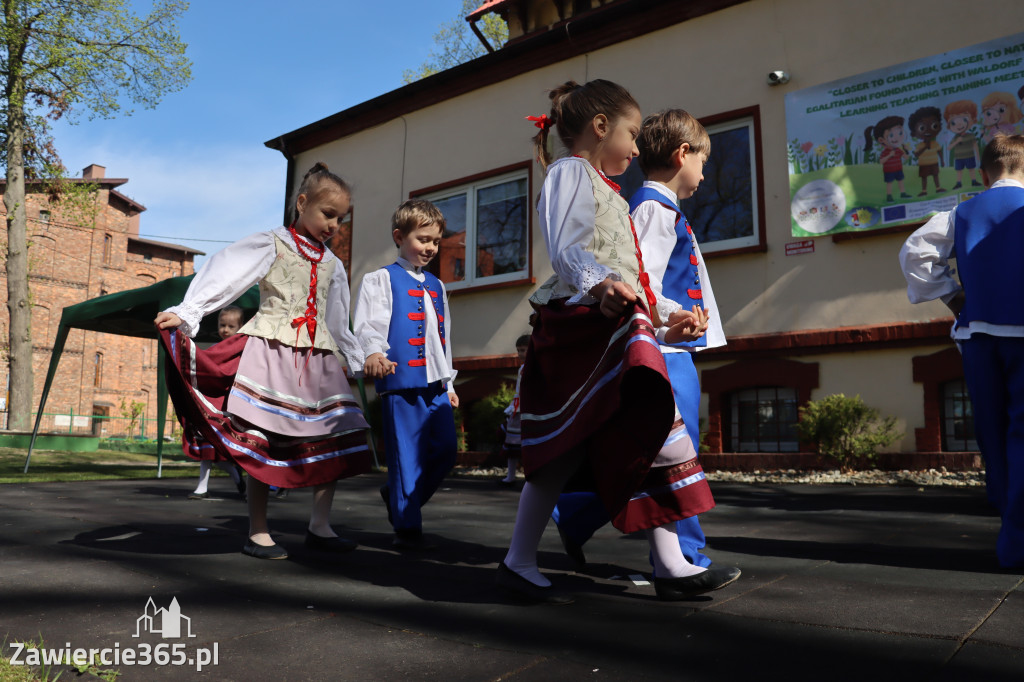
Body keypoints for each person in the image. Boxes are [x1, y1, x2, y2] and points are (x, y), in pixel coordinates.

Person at [498, 80, 731, 604]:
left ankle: (671, 563)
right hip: (583, 328)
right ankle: (518, 559)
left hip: (619, 325)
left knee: (651, 430)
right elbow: (568, 249)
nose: (635, 146)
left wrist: (669, 317)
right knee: (563, 449)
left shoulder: (614, 193)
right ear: (601, 128)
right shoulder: (570, 173)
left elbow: (636, 276)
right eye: (630, 133)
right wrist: (600, 285)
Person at [551, 110, 741, 588]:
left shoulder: (663, 208)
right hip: (664, 352)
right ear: (683, 155)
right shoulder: (653, 209)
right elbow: (645, 283)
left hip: (674, 349)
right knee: (678, 454)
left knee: (655, 452)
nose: (704, 172)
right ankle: (684, 556)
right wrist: (674, 319)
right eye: (703, 160)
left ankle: (574, 516)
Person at [155, 162, 371, 560]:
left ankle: (320, 524)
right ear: (301, 203)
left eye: (341, 218)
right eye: (328, 214)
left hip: (317, 359)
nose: (334, 225)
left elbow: (339, 318)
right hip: (272, 352)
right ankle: (258, 530)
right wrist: (189, 311)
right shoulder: (273, 243)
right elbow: (228, 272)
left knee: (333, 435)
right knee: (263, 436)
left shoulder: (333, 264)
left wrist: (355, 357)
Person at [898, 134, 1024, 568]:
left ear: (983, 172)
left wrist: (954, 299)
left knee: (992, 430)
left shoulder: (961, 212)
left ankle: (1010, 525)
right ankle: (1018, 540)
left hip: (978, 337)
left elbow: (915, 252)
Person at [354, 198, 459, 551]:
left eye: (435, 241)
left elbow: (443, 338)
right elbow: (369, 323)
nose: (430, 247)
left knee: (445, 451)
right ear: (400, 237)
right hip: (400, 381)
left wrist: (450, 382)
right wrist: (373, 352)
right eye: (423, 239)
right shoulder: (380, 278)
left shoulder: (437, 285)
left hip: (436, 384)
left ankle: (398, 499)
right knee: (406, 458)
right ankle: (407, 526)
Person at [187, 305, 247, 501]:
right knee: (208, 445)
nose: (226, 330)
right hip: (215, 404)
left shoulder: (244, 351)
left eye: (231, 326)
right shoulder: (215, 351)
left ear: (240, 327)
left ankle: (236, 474)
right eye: (222, 325)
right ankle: (202, 487)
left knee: (224, 450)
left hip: (232, 406)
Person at [498, 335, 529, 485]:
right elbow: (518, 391)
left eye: (523, 350)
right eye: (518, 351)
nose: (520, 354)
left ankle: (530, 476)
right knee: (512, 444)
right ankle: (511, 475)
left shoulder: (537, 366)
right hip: (518, 410)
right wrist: (512, 407)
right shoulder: (522, 369)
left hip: (530, 411)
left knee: (528, 445)